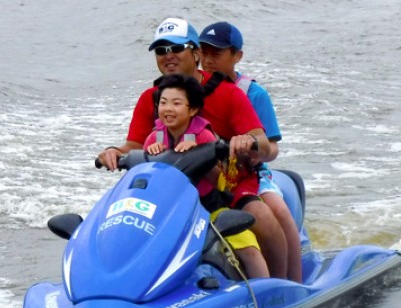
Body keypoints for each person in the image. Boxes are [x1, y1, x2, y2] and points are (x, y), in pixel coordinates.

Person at [97, 17, 288, 279]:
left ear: (196, 52)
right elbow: (134, 144)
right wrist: (113, 152)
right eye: (161, 51)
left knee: (261, 216)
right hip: (170, 191)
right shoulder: (151, 98)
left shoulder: (227, 92)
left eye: (177, 48)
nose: (169, 56)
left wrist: (248, 142)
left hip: (225, 185)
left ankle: (286, 288)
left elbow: (263, 141)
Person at [199, 21, 303, 283]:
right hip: (211, 174)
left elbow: (272, 148)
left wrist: (255, 150)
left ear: (237, 56)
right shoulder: (191, 91)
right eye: (204, 52)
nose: (208, 60)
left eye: (217, 54)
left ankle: (294, 281)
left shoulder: (253, 94)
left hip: (253, 173)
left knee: (279, 213)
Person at [143, 73, 268, 278]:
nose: (168, 109)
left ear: (192, 109)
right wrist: (150, 155)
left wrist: (201, 154)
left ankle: (264, 294)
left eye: (176, 103)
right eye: (163, 102)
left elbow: (223, 182)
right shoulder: (153, 138)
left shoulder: (204, 136)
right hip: (168, 213)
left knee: (248, 248)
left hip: (207, 208)